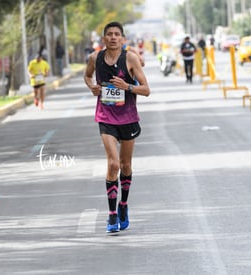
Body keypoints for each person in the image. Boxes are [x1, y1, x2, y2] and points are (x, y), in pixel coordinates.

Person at [84, 21, 150, 233]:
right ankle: (112, 214)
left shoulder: (130, 58)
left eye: (117, 34)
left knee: (126, 165)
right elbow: (87, 75)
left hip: (128, 118)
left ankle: (123, 206)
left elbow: (146, 89)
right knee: (113, 164)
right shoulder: (95, 58)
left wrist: (127, 86)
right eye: (109, 34)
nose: (113, 37)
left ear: (122, 39)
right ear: (104, 38)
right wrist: (92, 87)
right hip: (105, 116)